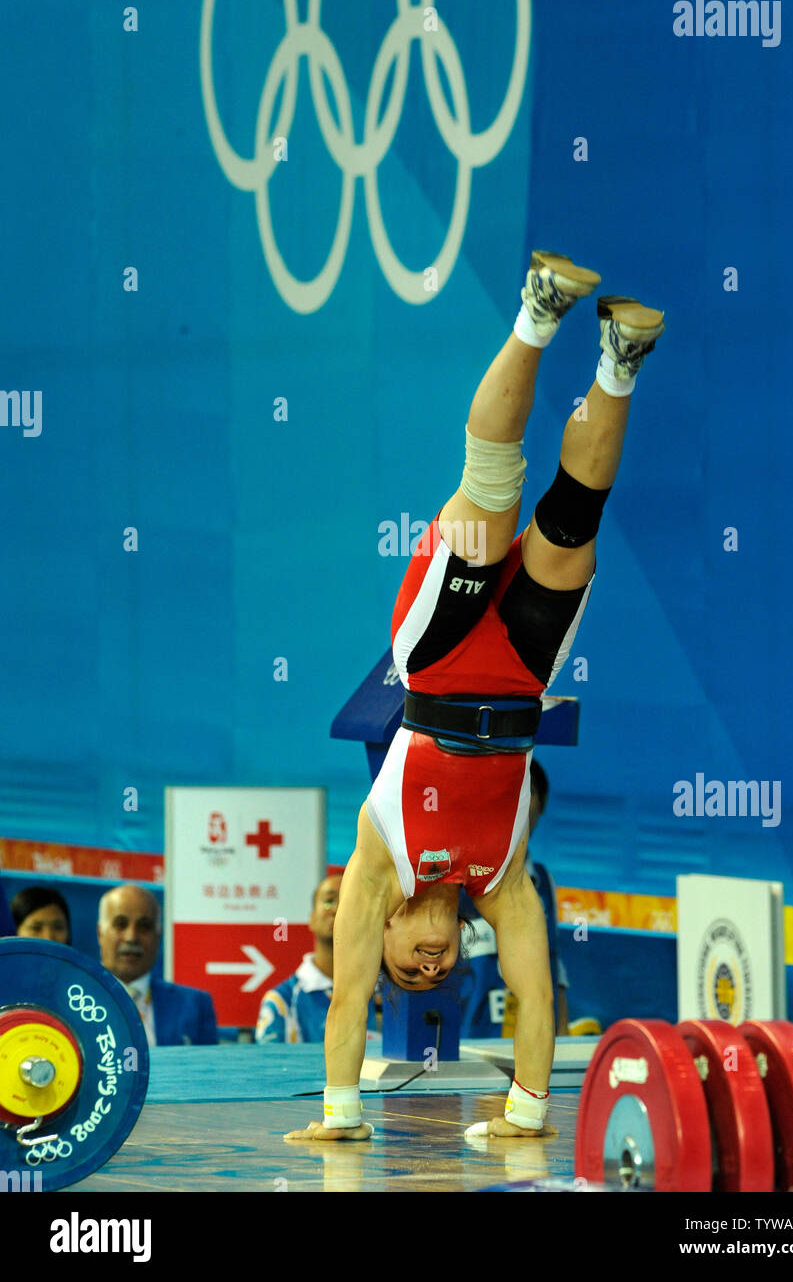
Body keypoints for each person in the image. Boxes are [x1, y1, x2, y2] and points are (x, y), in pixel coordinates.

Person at [285, 250, 664, 1142]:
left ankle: (539, 309)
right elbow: (533, 1000)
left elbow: (344, 1007)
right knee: (575, 513)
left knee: (491, 484)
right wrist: (525, 1115)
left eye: (406, 974)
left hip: (439, 660)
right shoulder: (506, 884)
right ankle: (620, 359)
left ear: (373, 940)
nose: (425, 968)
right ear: (463, 953)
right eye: (435, 975)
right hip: (527, 676)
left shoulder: (375, 869)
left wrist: (340, 1117)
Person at [459, 759, 572, 1037]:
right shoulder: (455, 876)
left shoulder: (544, 881)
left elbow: (553, 964)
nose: (518, 803)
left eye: (527, 792)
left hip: (530, 1046)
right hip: (467, 1047)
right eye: (509, 792)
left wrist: (561, 1034)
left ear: (542, 804)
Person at [255, 874, 377, 1043]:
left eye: (350, 901)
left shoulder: (389, 996)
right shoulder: (282, 1002)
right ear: (311, 919)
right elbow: (270, 1067)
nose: (337, 909)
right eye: (329, 901)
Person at [98, 884, 218, 1046]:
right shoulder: (69, 1001)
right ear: (100, 933)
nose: (131, 937)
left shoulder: (195, 1006)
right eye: (121, 924)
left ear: (158, 937)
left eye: (144, 926)